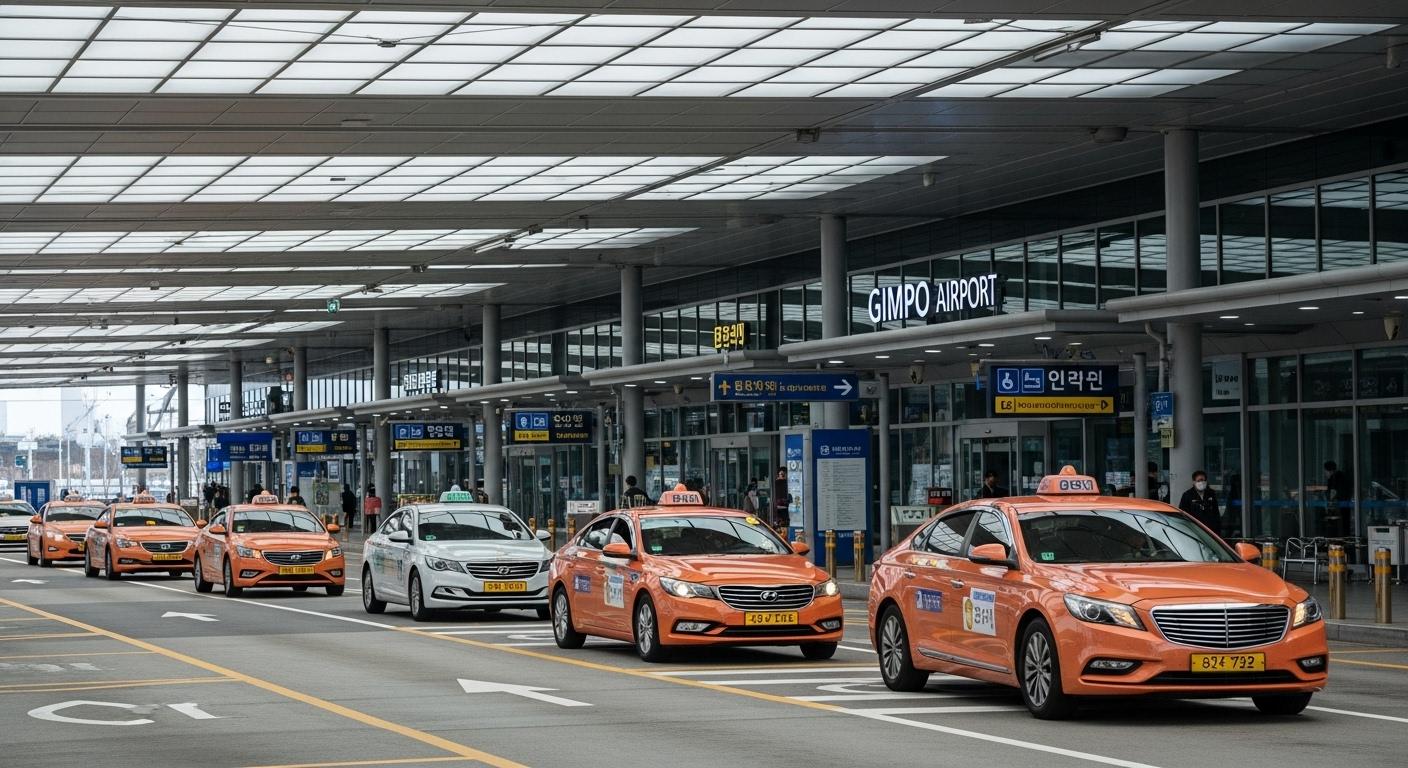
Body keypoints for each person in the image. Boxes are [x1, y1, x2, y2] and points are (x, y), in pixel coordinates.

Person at [1178, 470, 1221, 536]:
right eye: (1198, 481)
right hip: (1195, 530)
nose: (1201, 483)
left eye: (1203, 480)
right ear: (1194, 482)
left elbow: (1216, 513)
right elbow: (1183, 514)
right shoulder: (1187, 495)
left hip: (1210, 531)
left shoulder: (1211, 493)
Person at [1323, 461, 1353, 538]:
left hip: (1338, 508)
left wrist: (1330, 501)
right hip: (1345, 506)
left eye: (1325, 471)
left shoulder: (1334, 479)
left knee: (1337, 528)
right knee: (1344, 526)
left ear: (1329, 471)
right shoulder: (1342, 477)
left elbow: (1333, 493)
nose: (1325, 474)